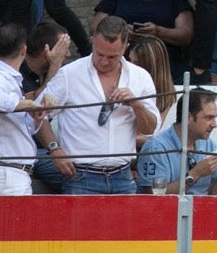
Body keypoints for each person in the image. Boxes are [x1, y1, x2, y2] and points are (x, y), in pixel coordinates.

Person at [47, 16, 158, 194]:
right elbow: (38, 115)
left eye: (112, 56)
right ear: (92, 42)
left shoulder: (140, 76)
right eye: (100, 54)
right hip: (80, 176)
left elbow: (150, 129)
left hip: (123, 176)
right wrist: (54, 149)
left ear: (125, 48)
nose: (105, 61)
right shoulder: (70, 74)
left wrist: (136, 105)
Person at [0, 22, 58, 195]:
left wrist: (35, 114)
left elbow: (17, 125)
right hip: (2, 176)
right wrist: (30, 104)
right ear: (24, 51)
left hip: (8, 174)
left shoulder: (4, 76)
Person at [137, 87, 217, 196]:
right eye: (208, 118)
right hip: (169, 211)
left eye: (215, 118)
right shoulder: (156, 147)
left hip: (203, 210)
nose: (214, 124)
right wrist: (194, 174)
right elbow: (155, 195)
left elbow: (216, 194)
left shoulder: (210, 145)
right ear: (188, 117)